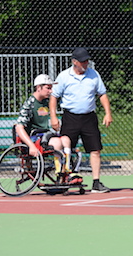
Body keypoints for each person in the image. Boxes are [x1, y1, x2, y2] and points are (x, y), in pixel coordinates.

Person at [49, 47, 113, 193]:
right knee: (67, 149)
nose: (86, 64)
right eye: (83, 61)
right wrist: (53, 117)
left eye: (87, 61)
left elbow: (102, 94)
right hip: (70, 117)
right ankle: (65, 180)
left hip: (89, 117)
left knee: (95, 149)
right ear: (74, 62)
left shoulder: (94, 75)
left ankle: (96, 183)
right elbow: (54, 97)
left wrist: (108, 113)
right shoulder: (64, 76)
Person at [16, 74, 82, 184]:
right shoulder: (30, 104)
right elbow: (19, 128)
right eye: (48, 88)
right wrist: (31, 146)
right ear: (38, 87)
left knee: (66, 139)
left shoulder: (47, 103)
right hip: (35, 137)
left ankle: (69, 172)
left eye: (51, 88)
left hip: (47, 135)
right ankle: (59, 172)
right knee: (56, 142)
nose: (51, 91)